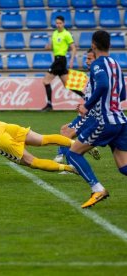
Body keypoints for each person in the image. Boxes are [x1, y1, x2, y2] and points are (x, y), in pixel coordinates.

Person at [66, 30, 127, 208]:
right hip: (121, 121)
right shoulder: (116, 64)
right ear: (109, 45)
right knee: (124, 167)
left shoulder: (97, 64)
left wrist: (87, 105)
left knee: (73, 153)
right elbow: (122, 93)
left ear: (93, 45)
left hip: (105, 122)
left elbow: (103, 85)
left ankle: (97, 189)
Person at [54, 49, 100, 164]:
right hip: (86, 113)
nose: (87, 61)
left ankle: (65, 160)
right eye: (86, 59)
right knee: (64, 129)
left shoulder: (98, 76)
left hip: (91, 115)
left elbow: (99, 96)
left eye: (90, 59)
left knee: (67, 134)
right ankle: (86, 147)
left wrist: (87, 107)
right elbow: (92, 96)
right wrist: (83, 105)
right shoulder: (92, 75)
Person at [42, 15, 82, 112]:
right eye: (57, 23)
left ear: (63, 23)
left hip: (61, 60)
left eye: (60, 23)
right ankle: (86, 97)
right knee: (67, 85)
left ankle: (49, 105)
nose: (58, 25)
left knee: (45, 81)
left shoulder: (66, 34)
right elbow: (52, 46)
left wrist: (72, 60)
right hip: (57, 59)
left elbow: (73, 48)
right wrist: (48, 47)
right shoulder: (55, 33)